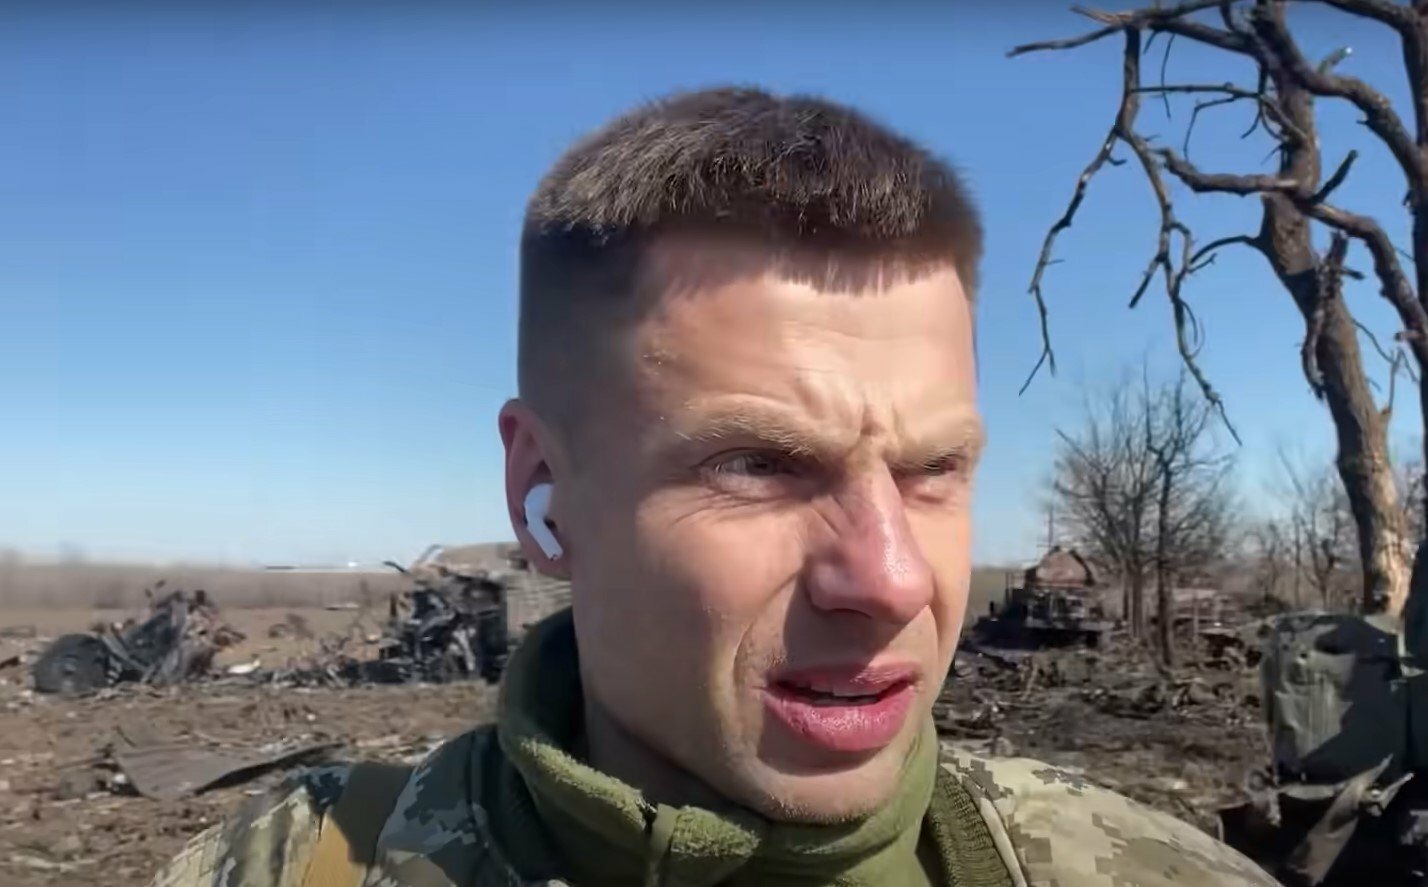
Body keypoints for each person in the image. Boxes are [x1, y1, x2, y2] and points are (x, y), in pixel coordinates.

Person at [151, 86, 1278, 887]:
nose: (890, 580)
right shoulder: (303, 865)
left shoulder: (1139, 866)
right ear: (543, 490)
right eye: (758, 464)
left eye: (934, 470)